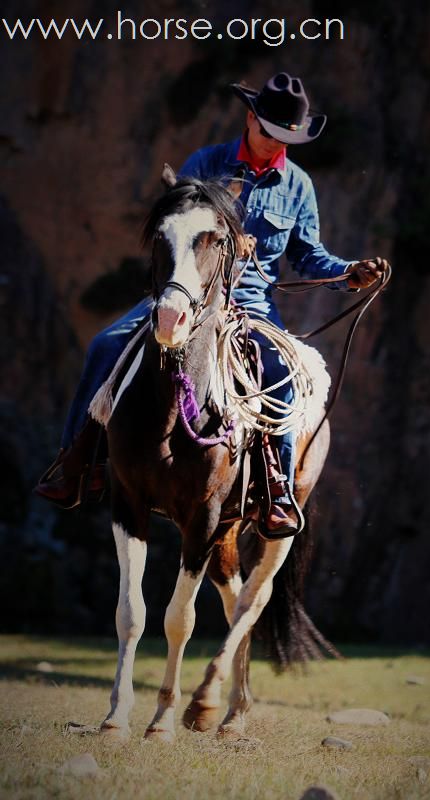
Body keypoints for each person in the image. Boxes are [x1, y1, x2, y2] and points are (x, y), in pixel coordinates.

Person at [35, 72, 389, 537]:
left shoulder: (298, 186)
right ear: (250, 119)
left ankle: (276, 489)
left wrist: (349, 273)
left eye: (285, 138)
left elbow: (307, 254)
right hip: (187, 295)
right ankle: (76, 460)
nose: (272, 144)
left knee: (281, 376)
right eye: (268, 132)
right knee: (106, 345)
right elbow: (174, 226)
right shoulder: (207, 162)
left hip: (251, 306)